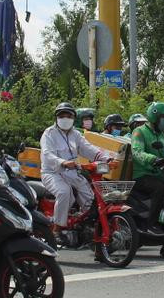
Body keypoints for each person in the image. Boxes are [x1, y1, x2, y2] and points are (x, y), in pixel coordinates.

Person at [39, 102, 111, 247]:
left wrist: (106, 157)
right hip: (52, 172)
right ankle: (57, 230)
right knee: (64, 192)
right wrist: (62, 162)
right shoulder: (49, 133)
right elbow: (47, 154)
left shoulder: (76, 134)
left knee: (90, 197)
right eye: (61, 115)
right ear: (56, 117)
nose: (65, 118)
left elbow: (88, 148)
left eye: (69, 115)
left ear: (73, 118)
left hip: (72, 172)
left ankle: (88, 228)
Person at [130, 101, 164, 257]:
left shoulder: (161, 134)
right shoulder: (139, 132)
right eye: (163, 118)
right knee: (161, 188)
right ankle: (150, 225)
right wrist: (152, 159)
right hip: (142, 176)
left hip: (158, 174)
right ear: (154, 117)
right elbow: (137, 152)